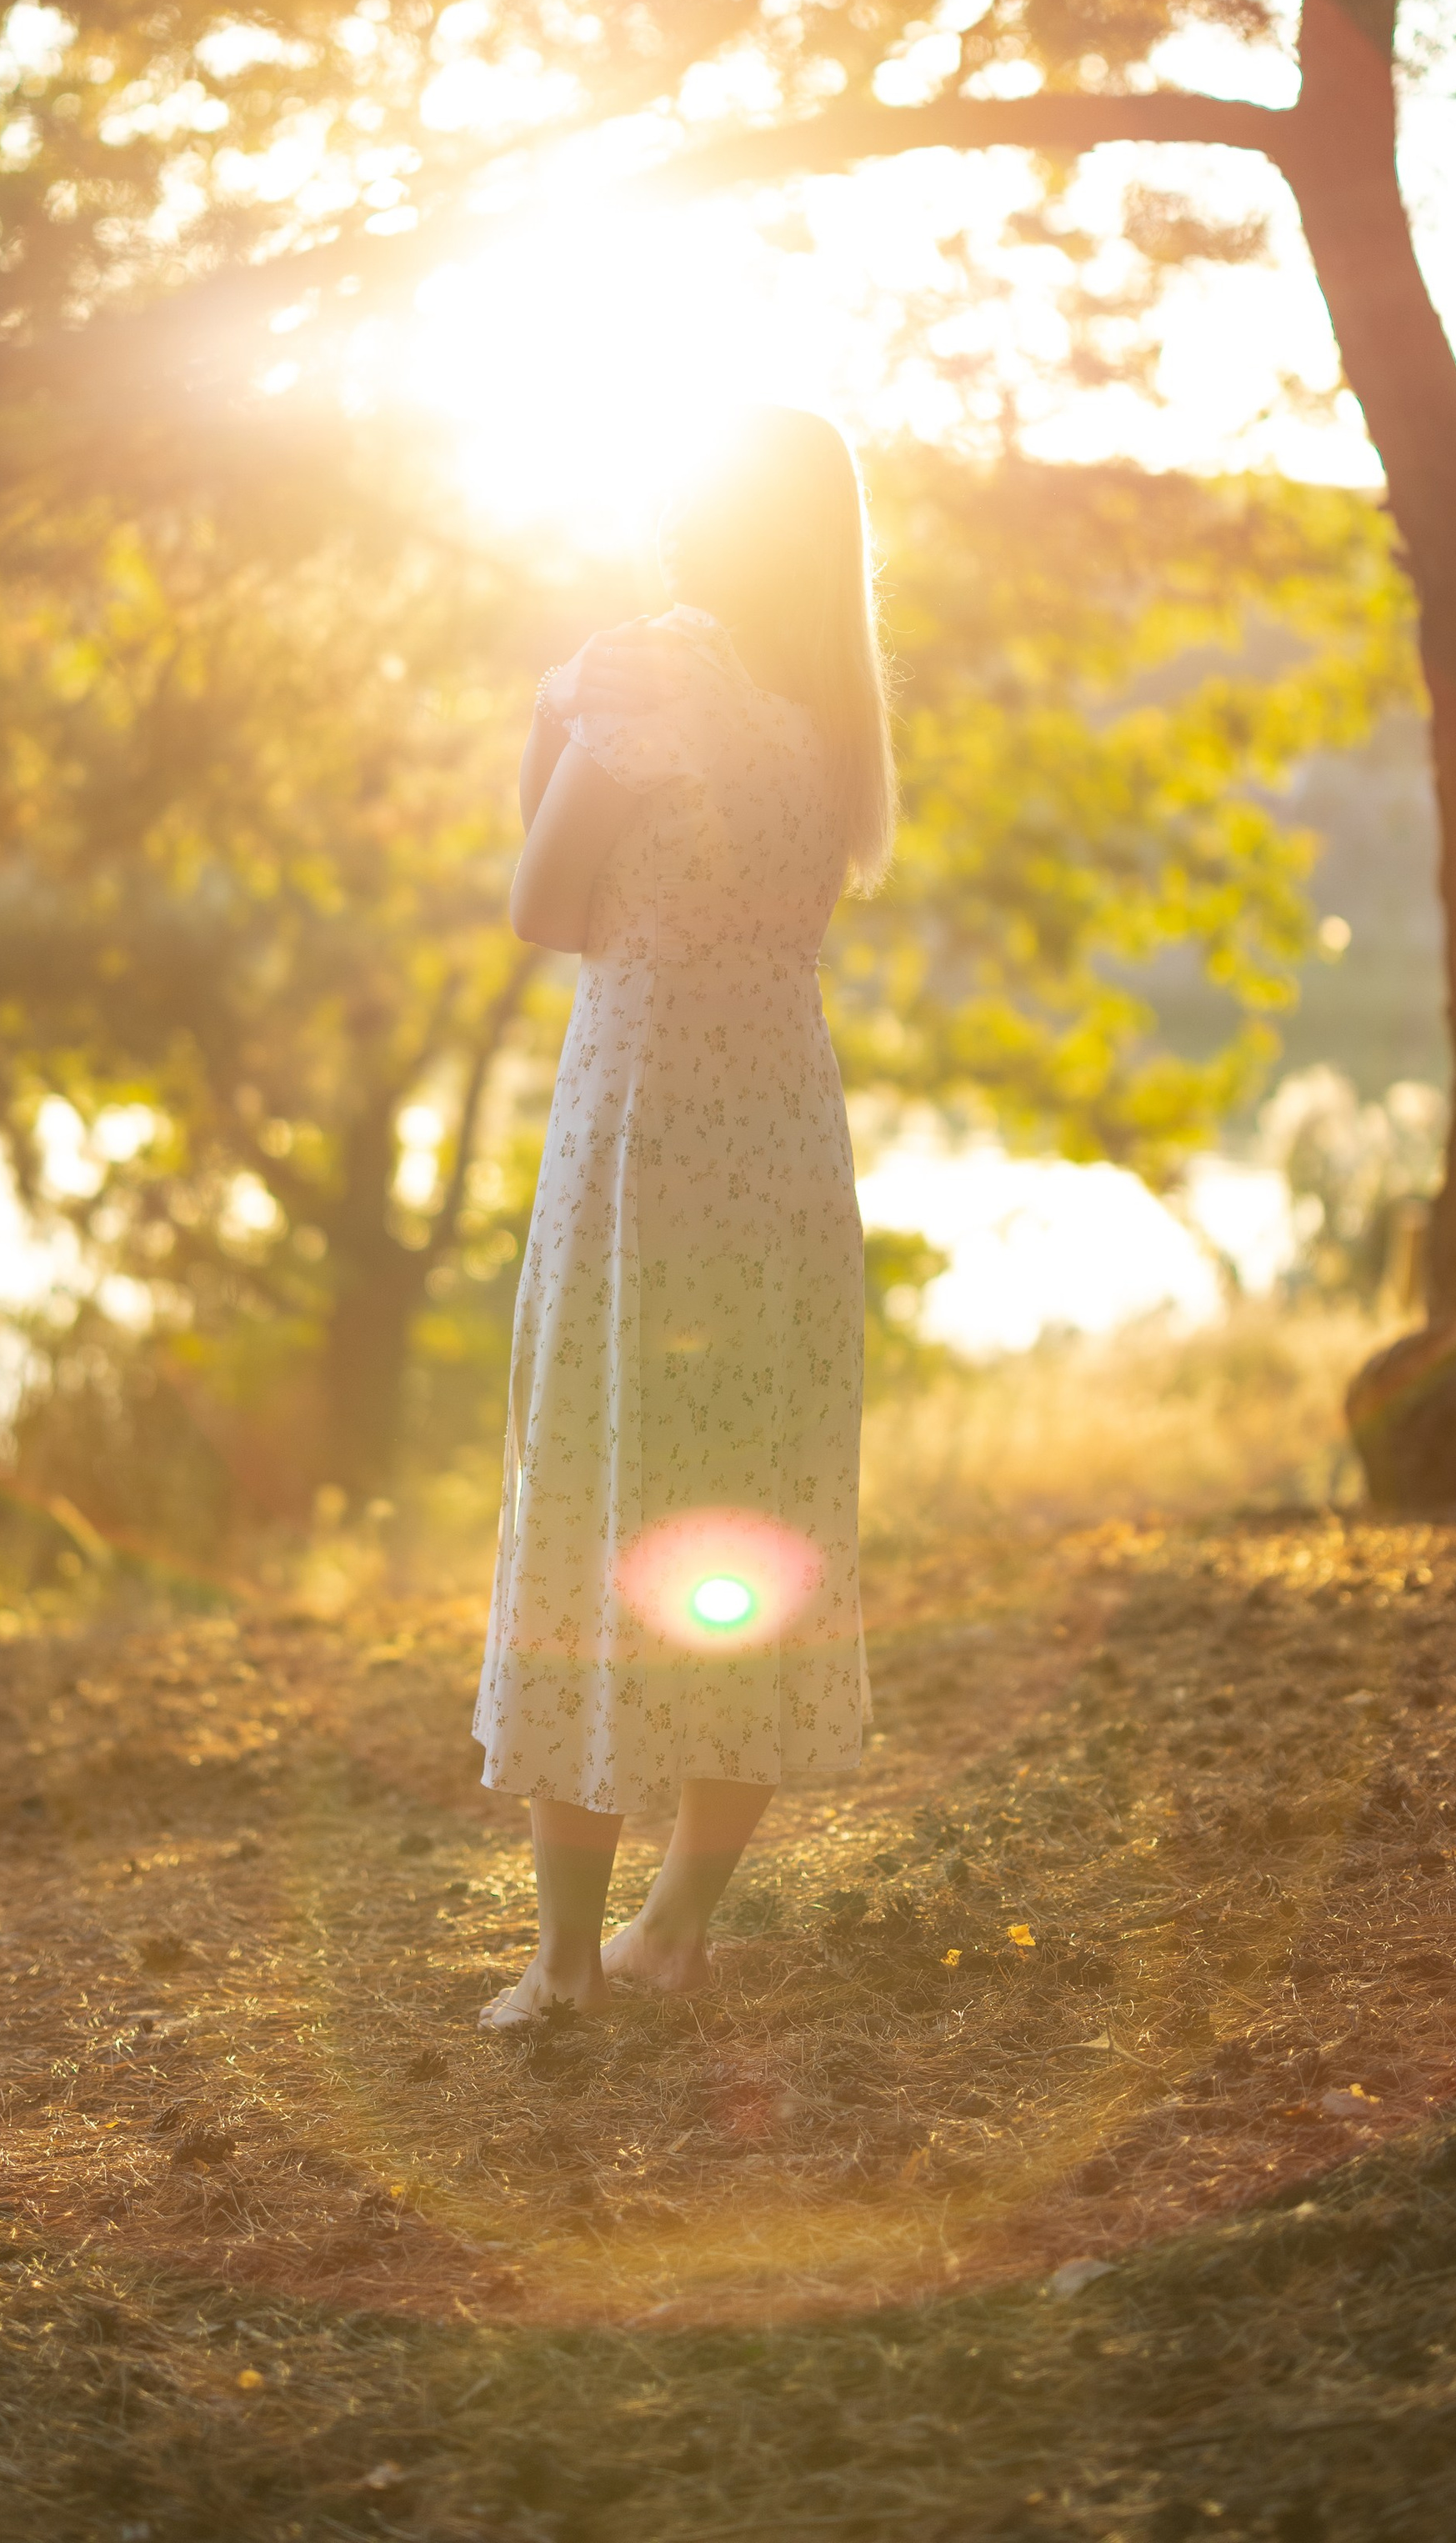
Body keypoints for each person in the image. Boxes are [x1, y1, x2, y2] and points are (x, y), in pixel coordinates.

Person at [473, 409, 896, 2027]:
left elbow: (536, 904)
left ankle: (565, 1963)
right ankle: (670, 1929)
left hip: (643, 1134)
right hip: (784, 1140)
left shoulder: (652, 676)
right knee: (760, 1514)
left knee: (596, 1495)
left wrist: (546, 708)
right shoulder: (835, 711)